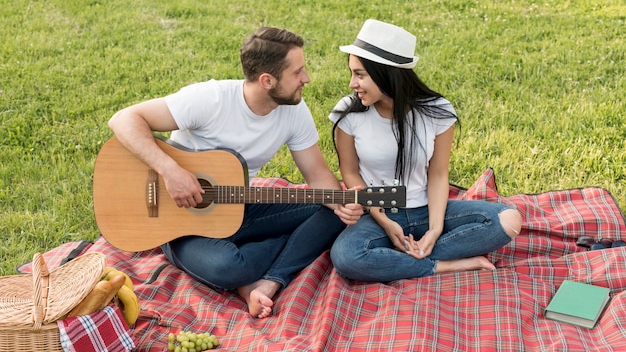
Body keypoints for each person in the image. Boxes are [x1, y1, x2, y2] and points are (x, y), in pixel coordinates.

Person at [108, 26, 362, 318]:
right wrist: (170, 171)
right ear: (267, 80)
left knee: (332, 212)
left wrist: (344, 205)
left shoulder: (294, 110)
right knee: (227, 267)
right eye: (298, 72)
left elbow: (317, 175)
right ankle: (280, 255)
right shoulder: (211, 99)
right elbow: (123, 119)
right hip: (179, 220)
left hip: (239, 207)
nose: (306, 78)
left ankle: (269, 281)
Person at [328, 19, 522, 282]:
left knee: (509, 220)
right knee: (346, 257)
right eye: (352, 73)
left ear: (387, 73)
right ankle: (442, 265)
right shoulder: (348, 112)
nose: (352, 83)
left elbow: (439, 174)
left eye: (360, 74)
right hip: (376, 214)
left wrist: (435, 228)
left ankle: (397, 259)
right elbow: (349, 173)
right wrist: (384, 221)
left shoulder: (437, 112)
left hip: (425, 209)